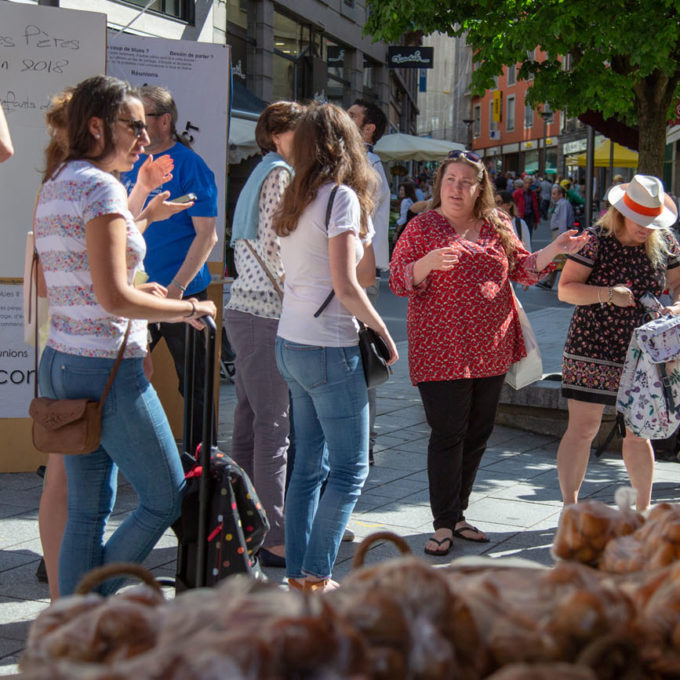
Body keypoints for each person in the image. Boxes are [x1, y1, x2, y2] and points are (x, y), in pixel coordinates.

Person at [34, 75, 216, 597]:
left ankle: (75, 623)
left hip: (65, 358)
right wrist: (186, 306)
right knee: (166, 495)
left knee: (89, 509)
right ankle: (88, 602)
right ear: (97, 125)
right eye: (133, 125)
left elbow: (61, 281)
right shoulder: (99, 187)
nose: (145, 137)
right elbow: (114, 297)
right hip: (104, 365)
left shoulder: (58, 181)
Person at [389, 149, 589, 557]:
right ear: (439, 183)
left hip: (491, 347)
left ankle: (458, 515)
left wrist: (556, 249)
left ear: (479, 187)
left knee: (478, 434)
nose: (457, 189)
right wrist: (424, 264)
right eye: (450, 180)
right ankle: (442, 523)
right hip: (440, 348)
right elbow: (397, 280)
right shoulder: (422, 226)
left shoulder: (497, 224)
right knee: (448, 434)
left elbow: (524, 269)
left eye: (466, 182)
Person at [273, 103, 398, 592]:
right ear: (349, 145)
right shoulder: (340, 197)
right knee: (350, 469)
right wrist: (385, 332)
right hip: (328, 345)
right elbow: (349, 285)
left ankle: (298, 574)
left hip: (292, 340)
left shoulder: (295, 196)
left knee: (308, 466)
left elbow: (295, 274)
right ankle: (317, 576)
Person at [556, 175, 680, 512]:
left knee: (639, 433)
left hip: (642, 354)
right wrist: (608, 294)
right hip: (591, 347)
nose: (646, 228)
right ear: (622, 213)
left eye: (652, 221)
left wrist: (677, 305)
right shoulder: (596, 241)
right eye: (640, 220)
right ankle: (570, 507)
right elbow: (565, 289)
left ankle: (642, 511)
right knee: (584, 429)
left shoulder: (665, 241)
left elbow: (679, 283)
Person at [226, 101, 305, 569]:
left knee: (250, 423)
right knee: (272, 427)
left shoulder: (260, 171)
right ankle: (273, 536)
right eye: (301, 132)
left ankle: (243, 522)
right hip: (265, 311)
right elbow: (280, 248)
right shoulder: (279, 174)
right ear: (277, 134)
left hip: (248, 309)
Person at [121, 85, 218, 456]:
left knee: (193, 385)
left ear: (164, 120)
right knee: (123, 377)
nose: (134, 129)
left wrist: (177, 292)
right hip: (134, 293)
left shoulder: (190, 165)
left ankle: (200, 465)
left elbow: (206, 236)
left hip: (182, 293)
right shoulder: (128, 163)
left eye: (140, 119)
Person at [347, 98, 391, 469]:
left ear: (369, 129)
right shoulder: (358, 164)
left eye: (352, 116)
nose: (345, 119)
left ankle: (366, 444)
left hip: (361, 276)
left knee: (364, 361)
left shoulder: (367, 167)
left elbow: (357, 220)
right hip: (352, 275)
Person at [536, 184, 575, 290]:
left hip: (559, 232)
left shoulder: (563, 204)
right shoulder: (560, 204)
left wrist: (561, 237)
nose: (552, 196)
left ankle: (550, 281)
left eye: (554, 194)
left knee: (557, 258)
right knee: (557, 258)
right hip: (557, 232)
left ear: (560, 194)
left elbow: (563, 221)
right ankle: (549, 281)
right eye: (552, 194)